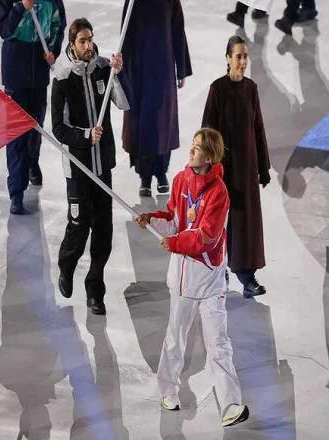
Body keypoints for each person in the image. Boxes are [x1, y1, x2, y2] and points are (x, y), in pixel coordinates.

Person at [135, 128, 249, 428]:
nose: (191, 150)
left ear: (209, 157)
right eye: (193, 145)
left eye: (198, 148)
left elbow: (207, 237)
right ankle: (167, 391)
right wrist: (152, 219)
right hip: (182, 282)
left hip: (210, 281)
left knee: (218, 343)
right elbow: (174, 218)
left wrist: (174, 243)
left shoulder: (219, 193)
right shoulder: (180, 180)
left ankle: (231, 405)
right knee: (175, 338)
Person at [51, 18, 129, 315]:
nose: (88, 45)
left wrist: (117, 74)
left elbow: (123, 104)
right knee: (79, 226)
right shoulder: (62, 77)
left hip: (102, 166)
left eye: (90, 39)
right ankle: (66, 266)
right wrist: (85, 136)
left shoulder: (103, 67)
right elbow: (58, 128)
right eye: (82, 41)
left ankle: (95, 291)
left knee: (104, 231)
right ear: (72, 44)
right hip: (78, 167)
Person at [202, 35, 271, 299]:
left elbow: (258, 129)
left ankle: (246, 276)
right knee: (219, 222)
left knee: (245, 222)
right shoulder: (217, 89)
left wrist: (263, 168)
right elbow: (207, 132)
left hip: (247, 168)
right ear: (228, 58)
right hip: (222, 170)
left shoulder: (251, 89)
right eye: (238, 56)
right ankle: (218, 272)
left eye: (245, 56)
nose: (242, 61)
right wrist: (206, 169)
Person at [0, 0, 66, 214]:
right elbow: (4, 30)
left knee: (35, 126)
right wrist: (20, 8)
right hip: (16, 72)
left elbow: (58, 25)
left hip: (39, 71)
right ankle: (16, 191)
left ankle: (32, 162)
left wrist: (53, 50)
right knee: (17, 131)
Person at [121, 0, 192, 197]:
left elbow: (178, 31)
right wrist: (123, 73)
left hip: (163, 70)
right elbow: (125, 36)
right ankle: (144, 176)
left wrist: (181, 69)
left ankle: (161, 172)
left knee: (163, 123)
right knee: (142, 124)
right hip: (139, 72)